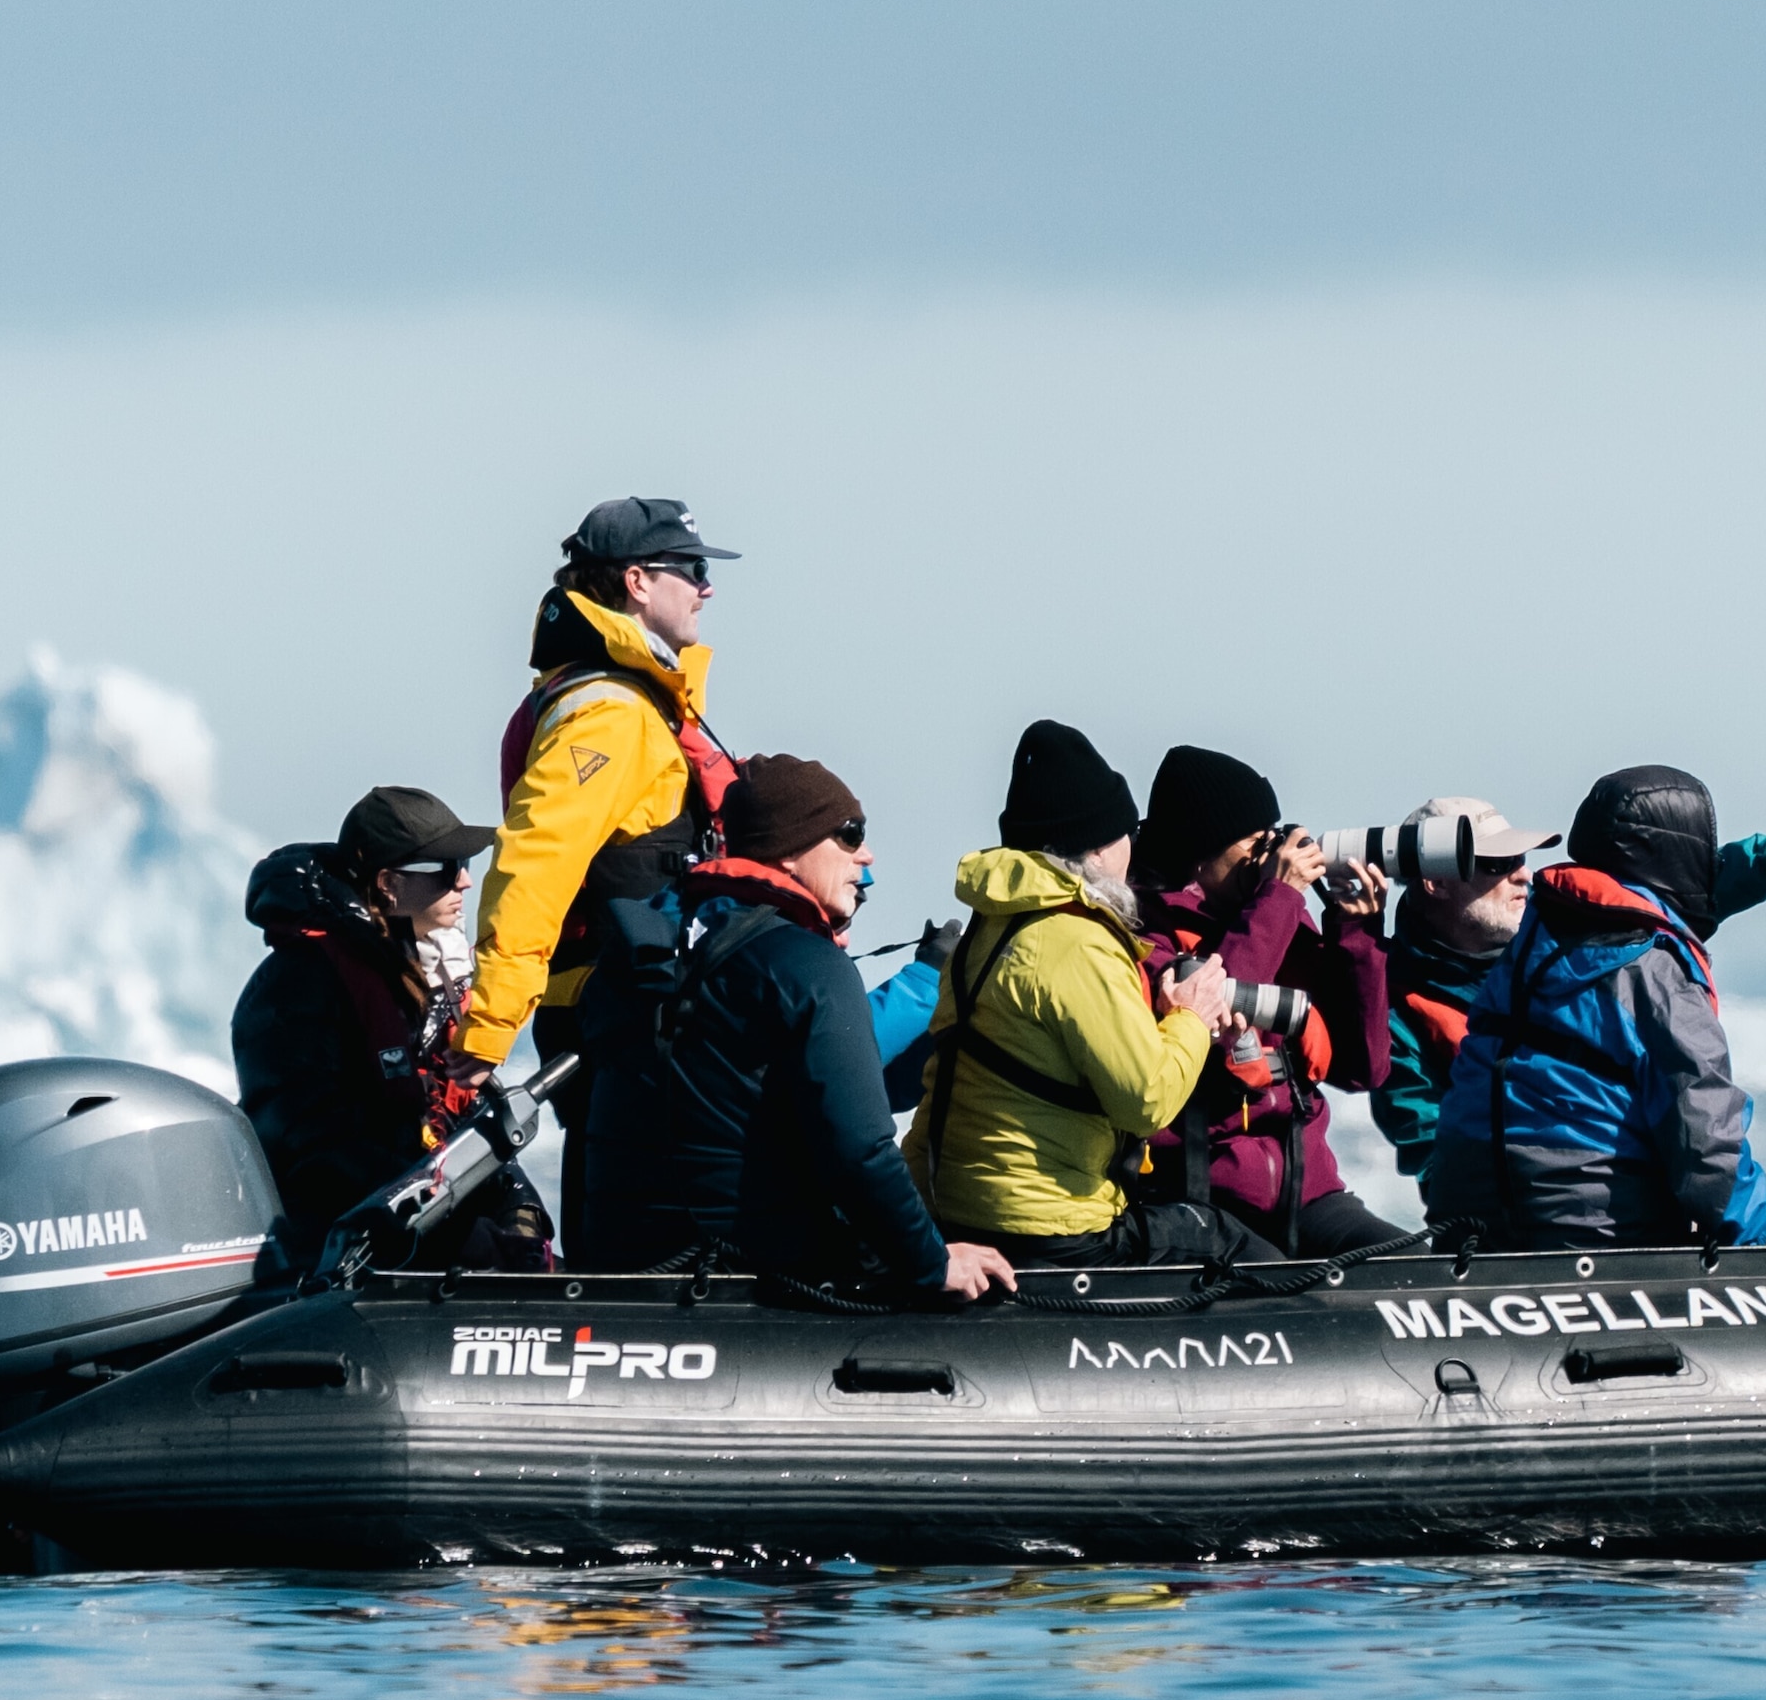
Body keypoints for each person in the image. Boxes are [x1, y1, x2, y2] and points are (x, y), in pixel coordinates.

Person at [610, 752, 1015, 1302]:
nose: (866, 855)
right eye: (850, 835)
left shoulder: (648, 948)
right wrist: (931, 1262)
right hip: (750, 1276)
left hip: (623, 1264)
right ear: (792, 850)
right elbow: (861, 1149)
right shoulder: (807, 965)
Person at [461, 497, 743, 1259]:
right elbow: (533, 864)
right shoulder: (610, 713)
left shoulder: (610, 694)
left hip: (612, 1007)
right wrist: (487, 1029)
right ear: (639, 581)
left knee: (619, 1205)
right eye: (694, 569)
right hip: (616, 1013)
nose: (707, 588)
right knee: (642, 1222)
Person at [1370, 794, 1766, 1176]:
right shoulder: (1394, 1007)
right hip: (1532, 1213)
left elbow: (1670, 900)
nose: (1522, 875)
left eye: (1521, 858)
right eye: (1497, 865)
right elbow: (1430, 1146)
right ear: (1433, 882)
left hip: (1635, 1176)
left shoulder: (1555, 926)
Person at [909, 720, 1237, 1264]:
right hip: (1046, 1220)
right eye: (1126, 831)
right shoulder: (1078, 941)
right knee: (1228, 1241)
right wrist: (1192, 1018)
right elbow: (1146, 1101)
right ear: (1098, 850)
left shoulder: (994, 922)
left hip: (950, 1203)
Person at [1425, 765, 1766, 1251]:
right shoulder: (1653, 965)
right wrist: (1759, 1235)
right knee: (1759, 1219)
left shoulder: (1531, 937)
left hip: (1466, 1204)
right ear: (1682, 853)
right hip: (1590, 1218)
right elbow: (1702, 1120)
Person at [231, 784, 546, 1269]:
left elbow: (462, 1119)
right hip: (339, 1259)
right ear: (387, 884)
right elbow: (316, 1151)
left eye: (465, 866)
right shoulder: (296, 987)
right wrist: (455, 1236)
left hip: (419, 1235)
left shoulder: (426, 980)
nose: (463, 882)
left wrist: (518, 1212)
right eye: (444, 868)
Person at [1133, 745, 1412, 1259]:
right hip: (1198, 1197)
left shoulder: (1278, 917)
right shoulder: (1146, 937)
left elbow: (1363, 1069)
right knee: (1283, 1294)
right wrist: (1278, 897)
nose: (1268, 858)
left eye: (1272, 839)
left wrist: (1357, 932)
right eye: (1254, 843)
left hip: (1308, 1192)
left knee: (1417, 1269)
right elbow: (1212, 1020)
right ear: (1200, 853)